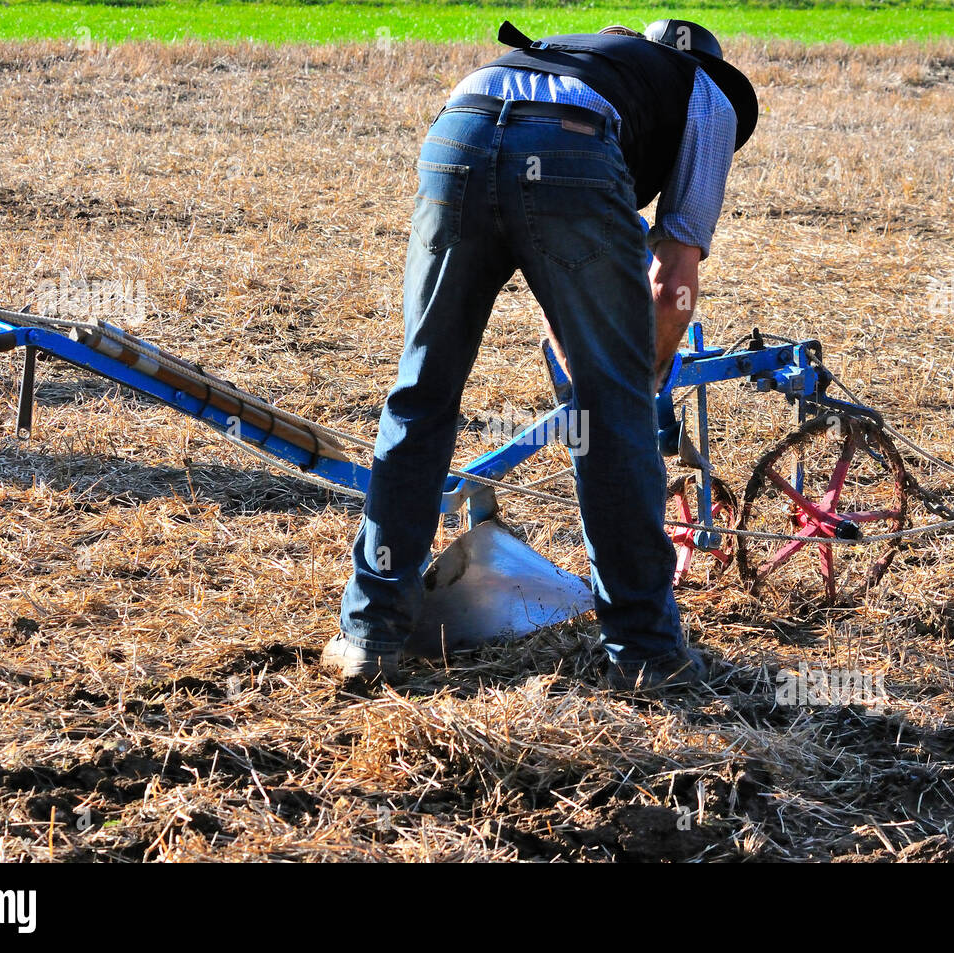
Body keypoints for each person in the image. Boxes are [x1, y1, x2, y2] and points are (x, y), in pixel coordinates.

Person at [322, 19, 758, 689]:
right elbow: (671, 289)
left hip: (458, 132)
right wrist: (635, 388)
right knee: (615, 414)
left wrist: (586, 356)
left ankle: (370, 633)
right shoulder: (709, 94)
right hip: (569, 150)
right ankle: (645, 650)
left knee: (423, 392)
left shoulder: (585, 59)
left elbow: (566, 285)